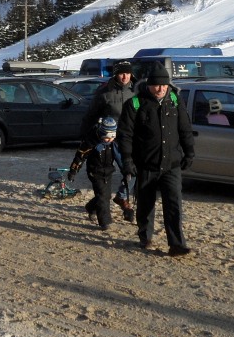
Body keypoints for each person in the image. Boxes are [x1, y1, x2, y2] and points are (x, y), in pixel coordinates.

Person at [118, 60, 195, 256]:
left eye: (163, 85)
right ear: (149, 84)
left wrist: (189, 153)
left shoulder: (176, 101)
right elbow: (125, 135)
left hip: (171, 164)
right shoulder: (135, 104)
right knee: (145, 204)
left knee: (174, 204)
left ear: (168, 84)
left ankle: (176, 244)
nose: (159, 88)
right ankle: (146, 237)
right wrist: (127, 161)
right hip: (146, 165)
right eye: (155, 84)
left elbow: (185, 129)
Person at [80, 59, 136, 222]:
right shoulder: (104, 92)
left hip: (127, 138)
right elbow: (90, 115)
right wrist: (86, 138)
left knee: (132, 171)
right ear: (115, 74)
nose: (124, 76)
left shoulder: (136, 91)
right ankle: (93, 206)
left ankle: (122, 197)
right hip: (106, 140)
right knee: (103, 180)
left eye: (127, 73)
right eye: (121, 73)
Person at [68, 117, 126, 232]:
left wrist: (126, 170)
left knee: (106, 195)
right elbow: (80, 156)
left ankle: (90, 207)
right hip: (94, 171)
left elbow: (120, 157)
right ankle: (105, 222)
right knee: (103, 197)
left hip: (108, 171)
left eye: (112, 137)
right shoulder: (90, 141)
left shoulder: (114, 143)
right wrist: (73, 171)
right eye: (107, 137)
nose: (109, 139)